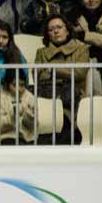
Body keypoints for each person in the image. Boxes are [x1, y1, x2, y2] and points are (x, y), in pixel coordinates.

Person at [35, 14, 89, 144]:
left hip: (73, 99)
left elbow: (80, 73)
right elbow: (38, 76)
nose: (56, 31)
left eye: (59, 27)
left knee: (65, 128)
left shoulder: (81, 48)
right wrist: (67, 73)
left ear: (67, 30)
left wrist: (53, 70)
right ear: (48, 34)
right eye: (51, 29)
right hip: (47, 98)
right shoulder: (41, 52)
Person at [0, 69, 36, 145]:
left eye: (22, 85)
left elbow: (33, 127)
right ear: (7, 84)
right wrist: (11, 118)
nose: (19, 89)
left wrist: (29, 117)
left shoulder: (29, 97)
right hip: (5, 137)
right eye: (14, 85)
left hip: (26, 138)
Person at [0, 20, 28, 86]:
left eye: (4, 37)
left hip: (12, 94)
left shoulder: (17, 56)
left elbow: (24, 82)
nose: (0, 41)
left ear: (10, 39)